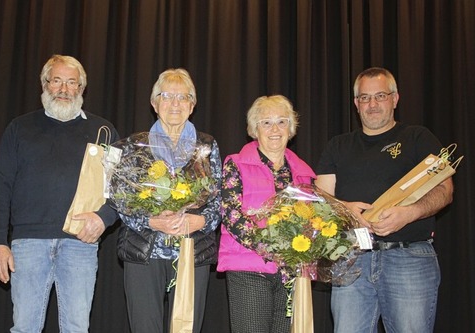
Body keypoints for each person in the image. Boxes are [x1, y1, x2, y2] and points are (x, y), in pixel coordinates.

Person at [315, 67, 454, 333]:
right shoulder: (338, 145)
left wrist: (410, 213)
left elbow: (445, 190)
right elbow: (321, 197)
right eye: (365, 98)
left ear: (395, 98)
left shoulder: (418, 137)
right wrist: (346, 211)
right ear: (356, 104)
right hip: (351, 257)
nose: (373, 104)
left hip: (409, 256)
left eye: (380, 95)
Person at [0, 54, 119, 332]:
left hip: (80, 244)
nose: (64, 88)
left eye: (72, 82)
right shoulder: (19, 128)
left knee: (76, 328)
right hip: (28, 244)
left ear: (82, 89)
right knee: (24, 328)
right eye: (56, 80)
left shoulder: (104, 131)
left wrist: (104, 218)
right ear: (44, 84)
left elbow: (120, 188)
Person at [115, 68, 222, 333]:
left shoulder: (207, 147)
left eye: (183, 97)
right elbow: (119, 200)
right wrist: (150, 220)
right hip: (145, 251)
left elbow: (220, 199)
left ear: (192, 105)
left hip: (193, 251)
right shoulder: (133, 147)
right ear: (154, 103)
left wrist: (200, 221)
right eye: (167, 96)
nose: (175, 103)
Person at [218, 95, 316, 333]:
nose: (275, 129)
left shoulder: (304, 172)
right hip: (249, 269)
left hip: (292, 272)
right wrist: (270, 246)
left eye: (282, 122)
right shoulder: (236, 164)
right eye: (266, 122)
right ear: (255, 129)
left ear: (290, 128)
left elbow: (314, 220)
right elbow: (231, 215)